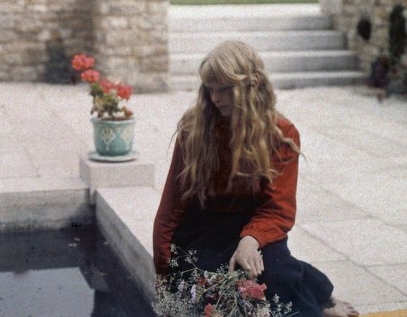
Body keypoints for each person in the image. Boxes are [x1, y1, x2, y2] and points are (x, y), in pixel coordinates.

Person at [153, 40, 359, 317]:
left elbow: (278, 207)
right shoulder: (194, 132)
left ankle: (317, 306)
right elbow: (171, 206)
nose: (215, 98)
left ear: (251, 86)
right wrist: (164, 270)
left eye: (225, 89)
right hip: (203, 228)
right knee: (210, 287)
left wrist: (251, 239)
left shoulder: (280, 134)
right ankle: (314, 290)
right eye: (210, 89)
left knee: (276, 275)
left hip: (255, 222)